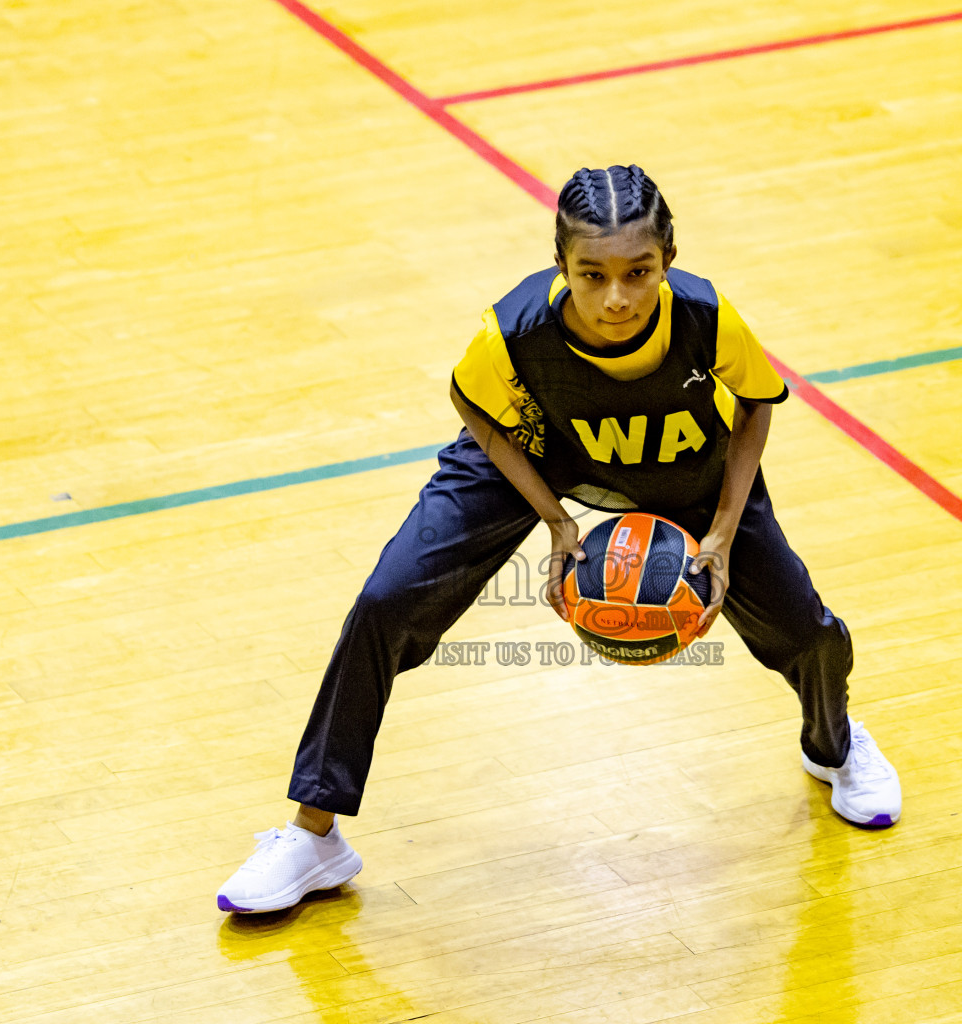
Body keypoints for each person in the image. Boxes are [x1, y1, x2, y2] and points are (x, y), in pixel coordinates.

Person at [216, 165, 901, 914]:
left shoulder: (707, 318)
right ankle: (315, 835)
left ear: (667, 261)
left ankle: (834, 748)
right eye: (592, 274)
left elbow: (756, 405)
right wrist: (554, 516)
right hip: (538, 447)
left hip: (678, 464)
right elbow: (471, 405)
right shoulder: (513, 330)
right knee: (385, 603)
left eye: (639, 273)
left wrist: (726, 533)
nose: (617, 297)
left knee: (808, 631)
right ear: (561, 267)